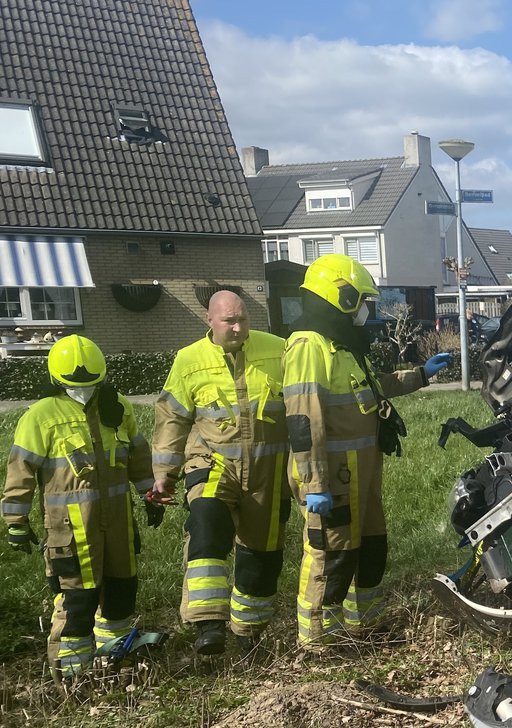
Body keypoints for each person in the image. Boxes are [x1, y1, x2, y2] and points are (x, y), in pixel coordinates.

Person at [283, 253, 452, 646]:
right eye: (361, 300)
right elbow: (303, 419)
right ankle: (317, 641)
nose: (364, 309)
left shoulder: (341, 344)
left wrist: (421, 375)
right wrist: (314, 484)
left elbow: (373, 388)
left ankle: (365, 626)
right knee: (332, 555)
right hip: (331, 477)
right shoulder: (310, 345)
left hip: (361, 473)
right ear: (339, 296)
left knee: (371, 548)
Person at [4, 336, 162, 676]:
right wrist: (15, 519)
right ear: (58, 381)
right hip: (70, 530)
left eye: (91, 385)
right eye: (76, 386)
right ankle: (71, 672)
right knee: (77, 600)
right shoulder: (40, 416)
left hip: (119, 522)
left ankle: (116, 655)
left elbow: (137, 456)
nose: (84, 392)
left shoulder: (116, 408)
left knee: (122, 589)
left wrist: (151, 494)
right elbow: (21, 471)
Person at [151, 291, 290, 656]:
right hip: (212, 462)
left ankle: (248, 633)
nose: (239, 327)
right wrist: (164, 472)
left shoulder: (278, 350)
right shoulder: (189, 360)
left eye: (243, 319)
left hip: (268, 469)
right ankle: (209, 624)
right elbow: (172, 419)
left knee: (261, 555)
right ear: (209, 321)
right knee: (206, 524)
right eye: (230, 321)